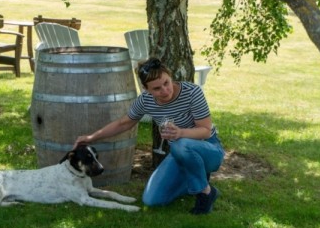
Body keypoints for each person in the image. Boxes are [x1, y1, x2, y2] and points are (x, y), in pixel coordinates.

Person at [73, 57, 225, 215]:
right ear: (146, 89)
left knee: (180, 143)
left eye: (166, 83)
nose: (165, 90)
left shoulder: (192, 91)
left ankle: (206, 193)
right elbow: (123, 123)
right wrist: (91, 138)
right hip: (180, 153)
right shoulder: (145, 101)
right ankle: (196, 176)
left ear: (170, 76)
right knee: (152, 199)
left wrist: (180, 133)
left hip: (209, 148)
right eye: (157, 88)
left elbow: (206, 130)